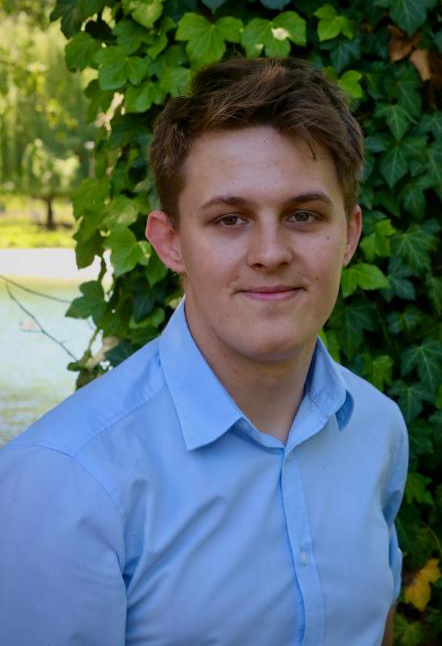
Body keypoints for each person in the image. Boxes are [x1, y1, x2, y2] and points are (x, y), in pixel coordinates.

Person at [0, 58, 408, 646]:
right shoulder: (65, 480)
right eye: (229, 219)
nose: (270, 252)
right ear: (170, 242)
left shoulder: (376, 429)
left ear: (349, 234)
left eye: (303, 215)